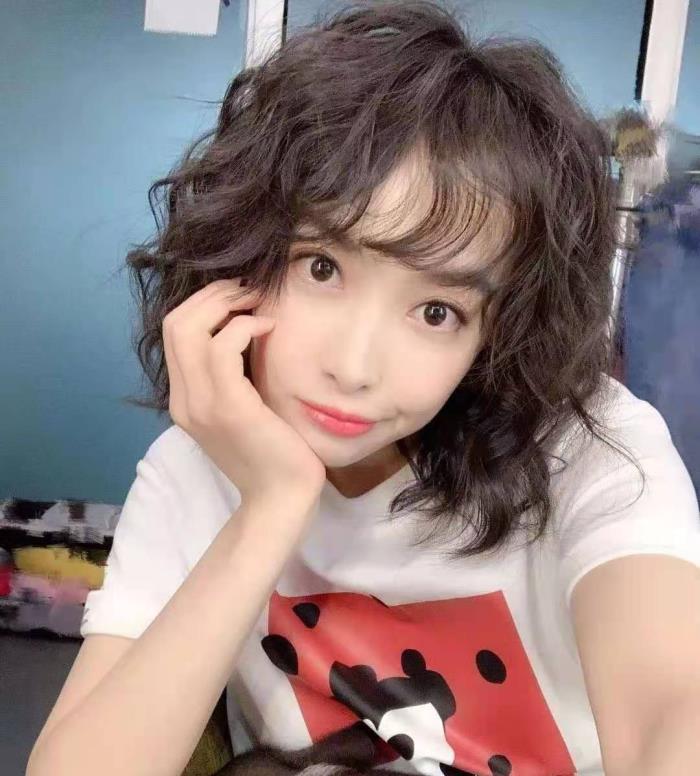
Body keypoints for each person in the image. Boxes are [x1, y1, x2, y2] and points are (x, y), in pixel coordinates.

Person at [27, 3, 700, 776]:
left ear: (496, 334)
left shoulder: (591, 450)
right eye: (322, 269)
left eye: (437, 312)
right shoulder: (193, 475)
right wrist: (271, 505)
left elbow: (671, 708)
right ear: (242, 252)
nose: (354, 367)